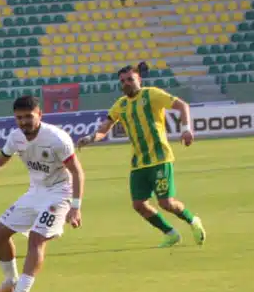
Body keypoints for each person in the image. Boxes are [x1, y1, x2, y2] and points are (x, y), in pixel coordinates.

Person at [0, 95, 85, 292]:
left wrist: (75, 207)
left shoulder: (57, 138)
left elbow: (77, 171)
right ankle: (10, 281)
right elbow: (1, 159)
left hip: (59, 193)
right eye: (19, 118)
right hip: (36, 191)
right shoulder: (16, 137)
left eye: (28, 117)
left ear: (39, 115)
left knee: (37, 239)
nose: (23, 122)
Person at [78, 66, 206, 248]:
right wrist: (91, 138)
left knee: (166, 203)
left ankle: (193, 221)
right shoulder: (120, 105)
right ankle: (170, 233)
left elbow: (182, 106)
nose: (126, 83)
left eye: (130, 79)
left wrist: (186, 129)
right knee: (139, 204)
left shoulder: (151, 94)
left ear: (139, 80)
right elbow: (105, 128)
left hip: (160, 159)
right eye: (122, 81)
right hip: (139, 163)